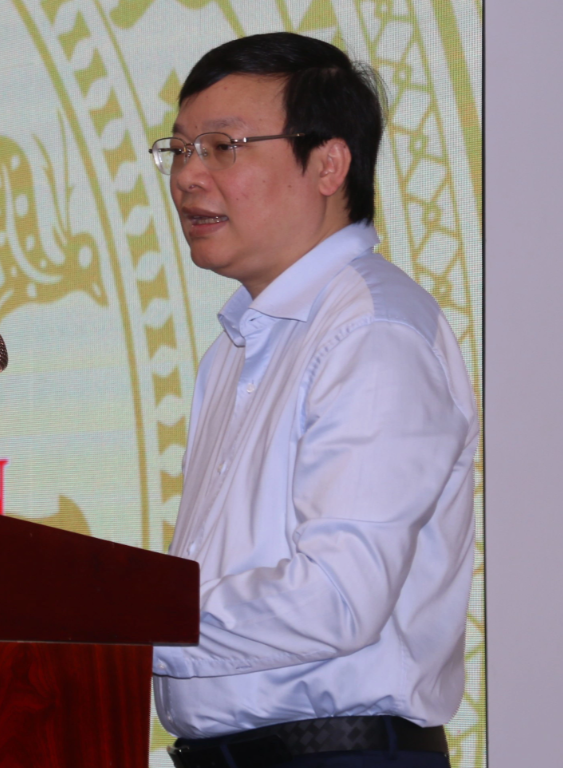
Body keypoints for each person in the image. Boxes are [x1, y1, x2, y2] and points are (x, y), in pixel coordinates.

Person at [148, 32, 477, 768]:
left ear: (329, 164)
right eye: (179, 149)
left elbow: (336, 595)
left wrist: (127, 623)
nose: (187, 177)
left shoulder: (372, 330)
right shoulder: (238, 344)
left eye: (222, 147)